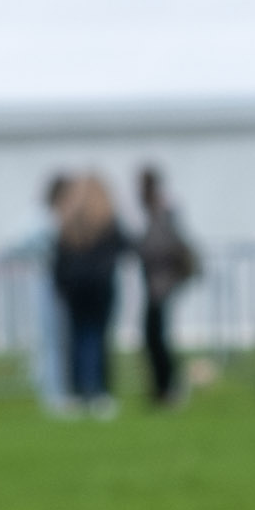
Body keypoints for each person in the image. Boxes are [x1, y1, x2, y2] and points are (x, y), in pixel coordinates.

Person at [46, 173, 129, 415]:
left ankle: (79, 391)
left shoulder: (69, 221)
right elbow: (126, 246)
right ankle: (99, 391)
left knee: (77, 338)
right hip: (101, 287)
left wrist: (60, 285)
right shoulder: (107, 221)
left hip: (75, 289)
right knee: (97, 339)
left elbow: (59, 259)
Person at [133, 167, 196, 410]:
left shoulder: (162, 213)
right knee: (154, 338)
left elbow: (163, 247)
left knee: (156, 338)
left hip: (162, 285)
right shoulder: (156, 213)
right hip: (158, 285)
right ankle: (161, 388)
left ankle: (168, 388)